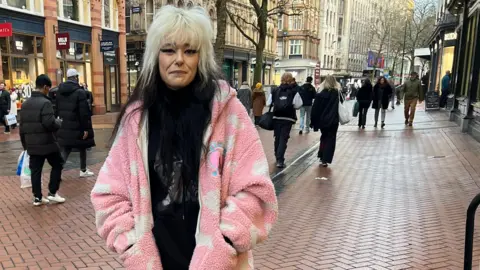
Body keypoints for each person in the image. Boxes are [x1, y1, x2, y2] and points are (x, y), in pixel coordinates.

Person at [90, 6, 278, 270]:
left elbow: (256, 191)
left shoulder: (228, 113)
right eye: (169, 50)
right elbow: (109, 193)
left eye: (189, 51)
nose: (179, 59)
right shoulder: (137, 120)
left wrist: (223, 244)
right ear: (156, 55)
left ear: (201, 57)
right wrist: (132, 245)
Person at [19, 75, 65, 206]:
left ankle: (37, 197)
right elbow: (49, 123)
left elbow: (22, 126)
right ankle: (52, 193)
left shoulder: (25, 103)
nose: (48, 91)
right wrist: (59, 122)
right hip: (47, 143)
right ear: (45, 87)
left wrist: (25, 145)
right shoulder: (46, 103)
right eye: (48, 89)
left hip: (31, 143)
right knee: (58, 164)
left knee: (36, 170)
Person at [56, 68, 96, 177]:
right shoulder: (80, 92)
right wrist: (85, 128)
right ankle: (83, 170)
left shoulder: (59, 91)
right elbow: (84, 113)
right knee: (82, 146)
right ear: (75, 78)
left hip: (64, 125)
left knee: (66, 149)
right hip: (78, 125)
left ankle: (58, 172)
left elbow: (57, 108)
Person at [267, 72, 303, 168]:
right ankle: (280, 159)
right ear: (291, 80)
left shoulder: (275, 90)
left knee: (277, 137)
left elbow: (268, 103)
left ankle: (277, 155)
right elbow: (298, 105)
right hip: (288, 118)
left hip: (276, 117)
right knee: (284, 138)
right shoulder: (294, 91)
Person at [311, 75, 342, 167]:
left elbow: (315, 109)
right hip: (333, 120)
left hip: (322, 120)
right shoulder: (337, 94)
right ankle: (326, 158)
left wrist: (313, 122)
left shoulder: (320, 94)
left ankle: (321, 155)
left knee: (324, 137)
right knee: (331, 139)